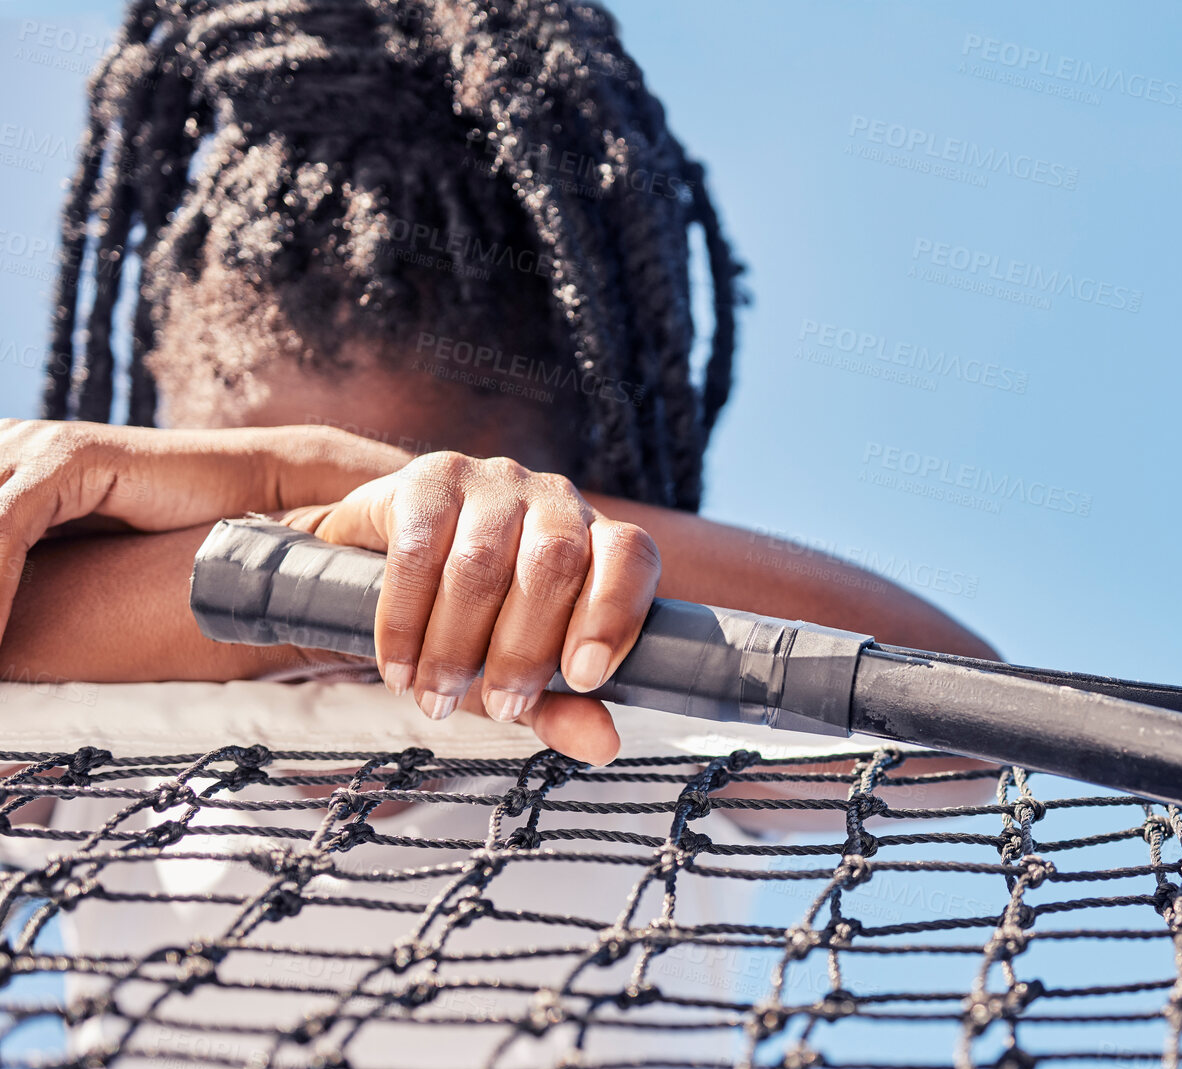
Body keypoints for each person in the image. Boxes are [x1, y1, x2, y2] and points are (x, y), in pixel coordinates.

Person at [0, 0, 996, 773]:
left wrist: (522, 557)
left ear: (570, 491)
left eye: (442, 519)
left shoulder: (633, 717)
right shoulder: (82, 720)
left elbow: (976, 724)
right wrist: (285, 499)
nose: (382, 599)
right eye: (231, 505)